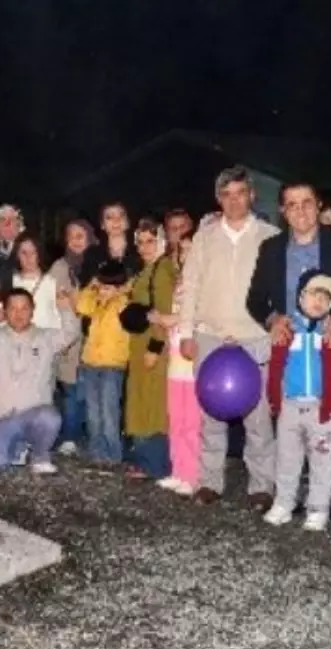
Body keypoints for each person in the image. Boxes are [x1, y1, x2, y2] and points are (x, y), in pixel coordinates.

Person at [247, 181, 331, 521]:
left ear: (318, 205)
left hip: (330, 342)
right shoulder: (271, 248)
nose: (300, 210)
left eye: (306, 202)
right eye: (291, 204)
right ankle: (288, 497)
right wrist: (274, 320)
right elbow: (255, 300)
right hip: (292, 347)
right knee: (290, 429)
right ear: (283, 211)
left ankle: (329, 501)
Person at [178, 166, 280, 508]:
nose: (234, 201)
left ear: (251, 195)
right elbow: (190, 285)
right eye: (227, 195)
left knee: (258, 416)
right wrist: (187, 331)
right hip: (210, 335)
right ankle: (209, 482)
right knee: (211, 414)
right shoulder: (204, 237)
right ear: (218, 199)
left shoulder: (270, 236)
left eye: (240, 193)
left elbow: (277, 290)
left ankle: (262, 486)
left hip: (254, 337)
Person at [262, 272, 331, 532]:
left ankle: (318, 508)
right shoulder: (286, 329)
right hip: (290, 407)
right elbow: (272, 365)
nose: (317, 302)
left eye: (324, 298)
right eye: (312, 295)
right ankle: (284, 502)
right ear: (300, 298)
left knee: (323, 461)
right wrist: (271, 398)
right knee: (286, 458)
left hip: (322, 410)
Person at [0, 286, 79, 474]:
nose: (18, 314)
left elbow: (71, 333)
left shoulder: (47, 338)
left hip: (34, 413)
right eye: (13, 308)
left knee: (50, 417)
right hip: (1, 416)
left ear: (32, 310)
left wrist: (65, 308)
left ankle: (39, 455)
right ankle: (19, 449)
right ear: (4, 311)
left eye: (24, 308)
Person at [123, 221, 175, 480]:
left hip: (153, 346)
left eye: (150, 241)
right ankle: (144, 460)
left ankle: (156, 464)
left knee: (153, 403)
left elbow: (163, 312)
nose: (144, 247)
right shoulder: (147, 270)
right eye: (140, 241)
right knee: (141, 400)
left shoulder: (162, 270)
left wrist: (155, 347)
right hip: (139, 344)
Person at [154, 229, 200, 495]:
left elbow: (191, 317)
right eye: (183, 250)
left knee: (192, 421)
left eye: (192, 249)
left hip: (192, 361)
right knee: (177, 418)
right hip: (175, 359)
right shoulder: (180, 283)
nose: (186, 254)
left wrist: (168, 319)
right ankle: (178, 469)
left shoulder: (204, 284)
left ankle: (192, 474)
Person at [74, 261, 131, 470]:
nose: (103, 291)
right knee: (93, 411)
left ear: (118, 287)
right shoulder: (96, 302)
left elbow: (129, 306)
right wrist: (92, 285)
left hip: (112, 366)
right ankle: (97, 453)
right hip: (91, 364)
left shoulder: (122, 304)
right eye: (102, 287)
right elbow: (81, 305)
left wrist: (122, 289)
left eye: (108, 288)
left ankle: (113, 454)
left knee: (109, 411)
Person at [47, 219, 96, 456]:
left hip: (96, 336)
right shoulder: (60, 266)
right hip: (69, 337)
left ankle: (87, 434)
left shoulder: (97, 263)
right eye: (72, 236)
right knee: (71, 389)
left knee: (91, 389)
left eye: (81, 235)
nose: (76, 240)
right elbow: (53, 298)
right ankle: (69, 436)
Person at [79, 202, 144, 287]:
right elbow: (85, 286)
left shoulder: (140, 252)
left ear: (127, 222)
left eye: (121, 215)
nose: (116, 220)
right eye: (109, 217)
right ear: (102, 224)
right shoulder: (92, 255)